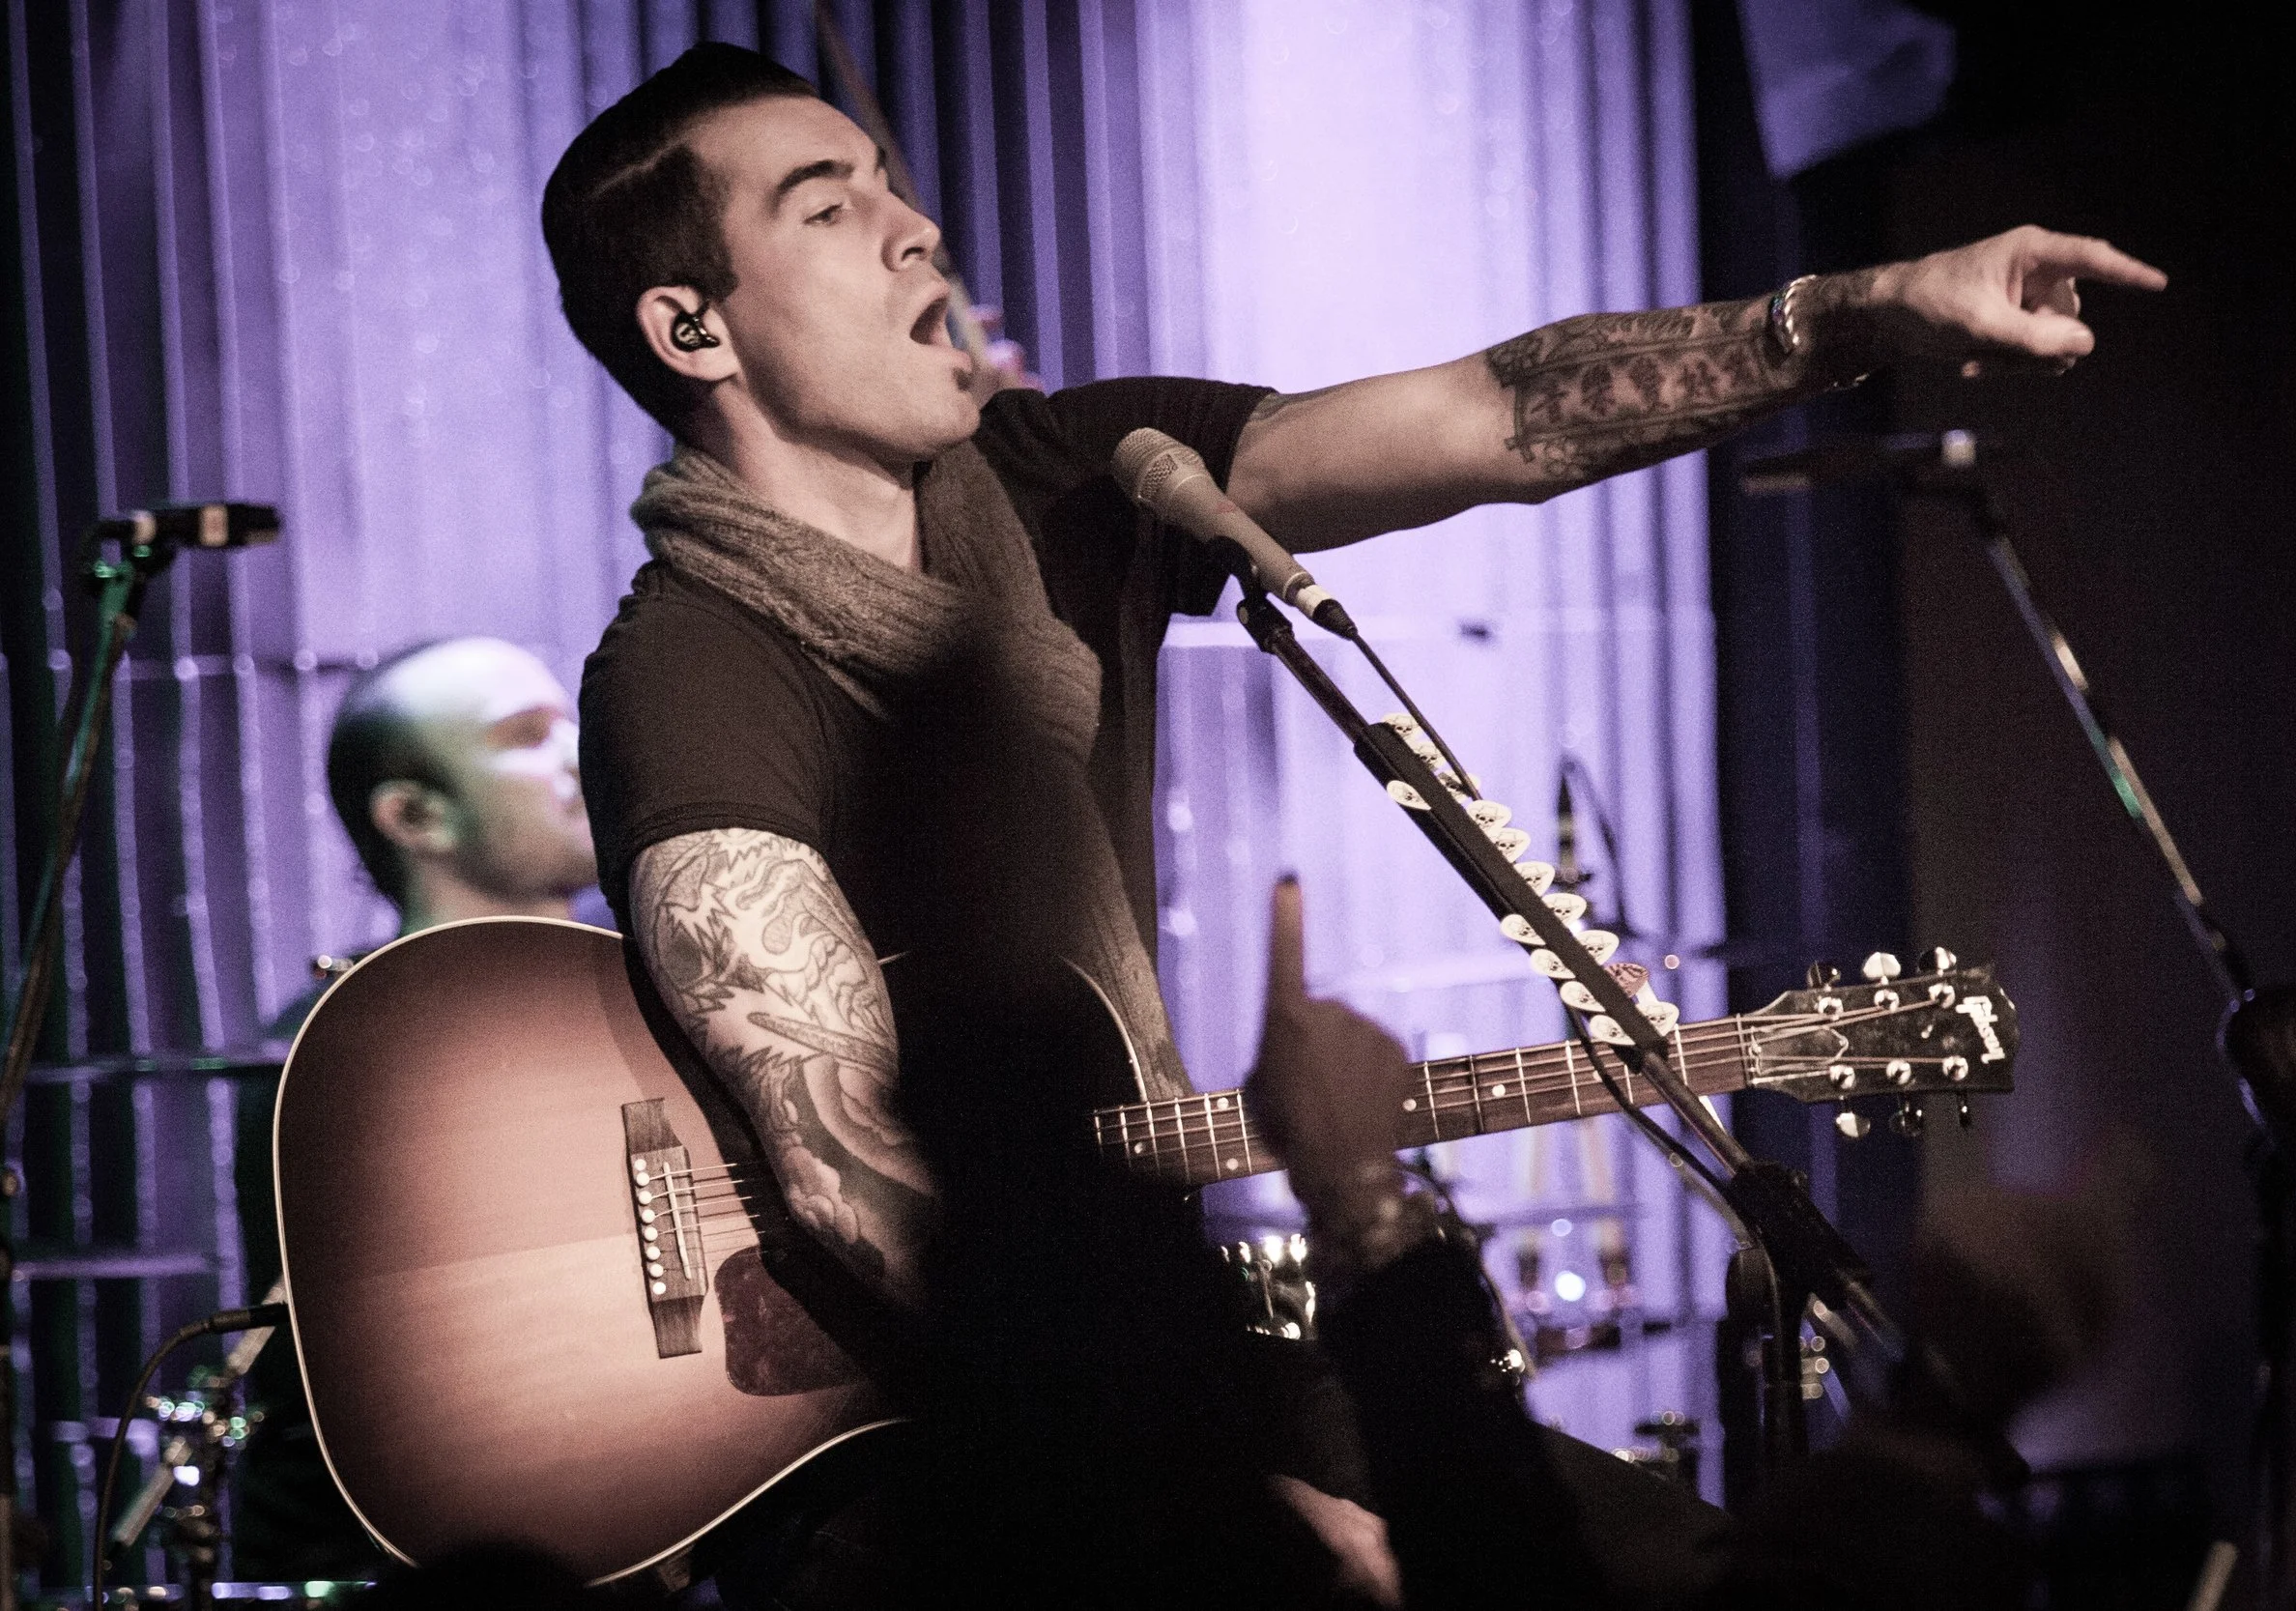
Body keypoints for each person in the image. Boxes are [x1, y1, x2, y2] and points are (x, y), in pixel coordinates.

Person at [548, 42, 2164, 1601]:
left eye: (894, 179)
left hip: (1130, 1365)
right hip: (915, 1458)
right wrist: (1223, 1497)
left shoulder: (1059, 477)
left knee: (1677, 1560)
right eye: (828, 205)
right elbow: (850, 1181)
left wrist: (1849, 314)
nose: (917, 224)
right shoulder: (691, 666)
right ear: (694, 326)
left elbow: (1492, 417)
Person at [232, 636, 596, 1582]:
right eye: (526, 735)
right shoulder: (331, 1052)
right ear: (414, 813)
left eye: (573, 721)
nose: (580, 754)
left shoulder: (660, 981)